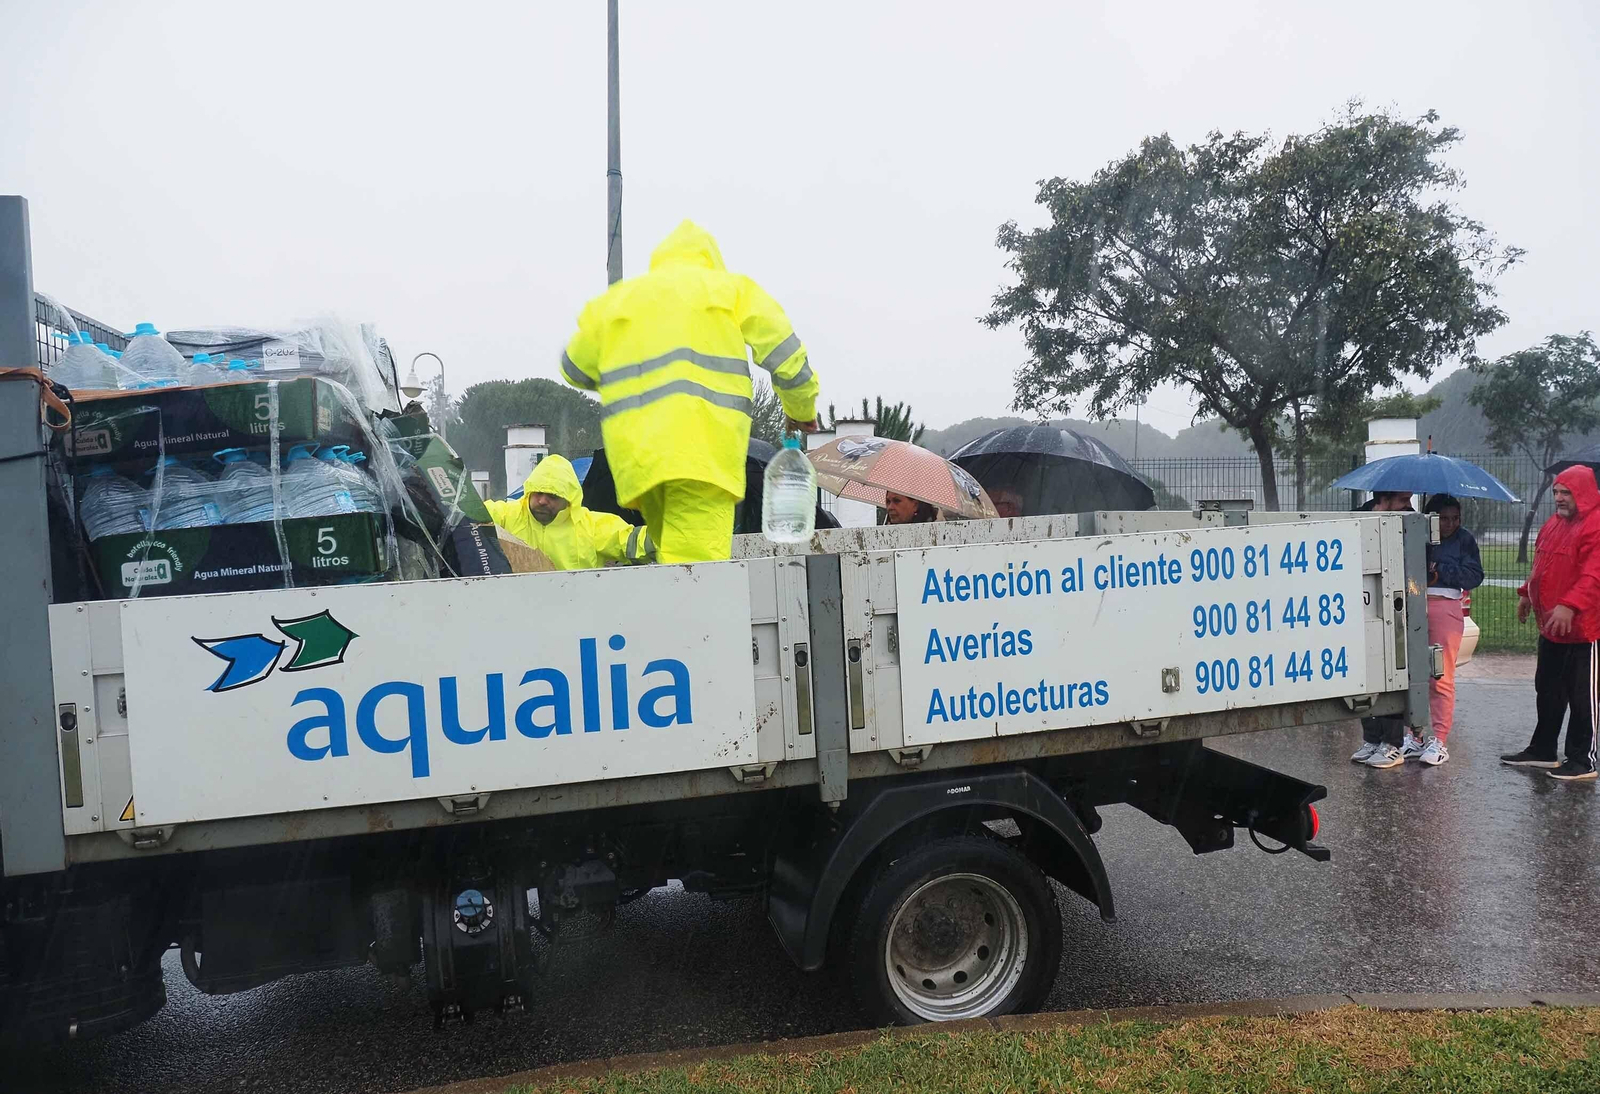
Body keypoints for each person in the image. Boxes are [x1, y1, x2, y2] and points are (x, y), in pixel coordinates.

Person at [560, 221, 820, 563]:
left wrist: (633, 376)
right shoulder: (730, 290)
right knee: (698, 570)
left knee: (672, 555)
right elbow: (788, 359)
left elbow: (573, 368)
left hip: (638, 464)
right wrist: (801, 410)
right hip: (701, 456)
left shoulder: (620, 300)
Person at [1501, 466, 1600, 780]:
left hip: (1585, 629)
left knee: (1584, 698)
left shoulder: (1595, 524)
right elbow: (1541, 563)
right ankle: (1543, 749)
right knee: (1547, 691)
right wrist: (1526, 594)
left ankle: (1583, 760)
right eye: (1556, 491)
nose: (1558, 497)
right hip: (1552, 628)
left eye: (1566, 492)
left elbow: (1594, 574)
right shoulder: (1554, 523)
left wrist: (1570, 605)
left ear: (1583, 492)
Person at [483, 454, 654, 571]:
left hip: (576, 609)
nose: (542, 501)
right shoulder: (506, 515)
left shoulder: (591, 526)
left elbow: (632, 542)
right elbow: (473, 514)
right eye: (538, 493)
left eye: (553, 496)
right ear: (529, 491)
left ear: (569, 500)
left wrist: (667, 533)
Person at [1351, 490, 1417, 768]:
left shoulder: (1410, 521)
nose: (1409, 506)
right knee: (1366, 674)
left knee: (1393, 673)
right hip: (1365, 604)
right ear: (1385, 498)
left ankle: (1393, 743)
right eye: (1404, 500)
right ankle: (1372, 738)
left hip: (1396, 607)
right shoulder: (1356, 518)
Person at [1419, 494, 1484, 766]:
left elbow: (1474, 575)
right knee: (1413, 675)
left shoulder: (1464, 539)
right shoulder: (1418, 534)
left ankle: (1439, 738)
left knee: (1440, 675)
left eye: (1455, 518)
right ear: (1431, 518)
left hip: (1446, 607)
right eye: (1443, 519)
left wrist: (1439, 568)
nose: (1450, 524)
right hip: (1414, 604)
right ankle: (1413, 735)